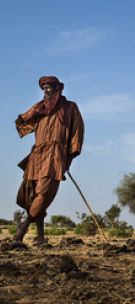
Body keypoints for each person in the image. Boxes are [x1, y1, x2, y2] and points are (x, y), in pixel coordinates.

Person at [13, 76, 84, 246]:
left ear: (57, 88)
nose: (46, 90)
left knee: (45, 192)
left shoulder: (69, 107)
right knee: (35, 194)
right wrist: (30, 119)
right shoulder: (39, 108)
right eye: (43, 87)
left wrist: (69, 155)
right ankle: (40, 238)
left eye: (49, 87)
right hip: (38, 154)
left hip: (56, 154)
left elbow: (77, 131)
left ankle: (23, 227)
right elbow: (23, 122)